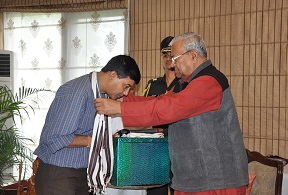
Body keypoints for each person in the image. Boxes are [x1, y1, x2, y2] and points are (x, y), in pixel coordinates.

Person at [94, 32, 249, 195]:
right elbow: (159, 101)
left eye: (175, 58)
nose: (172, 65)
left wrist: (119, 109)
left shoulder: (209, 81)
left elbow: (169, 108)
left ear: (193, 55)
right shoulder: (186, 83)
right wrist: (122, 100)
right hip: (193, 178)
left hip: (216, 180)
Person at [34, 55, 141, 195]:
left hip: (84, 172)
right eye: (126, 86)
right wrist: (93, 141)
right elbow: (54, 137)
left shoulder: (102, 94)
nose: (126, 92)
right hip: (59, 172)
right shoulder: (76, 91)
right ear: (112, 75)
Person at [142, 36, 178, 195]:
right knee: (156, 191)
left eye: (171, 54)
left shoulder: (187, 85)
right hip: (156, 149)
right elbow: (143, 114)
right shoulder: (152, 85)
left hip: (180, 147)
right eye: (165, 55)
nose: (168, 58)